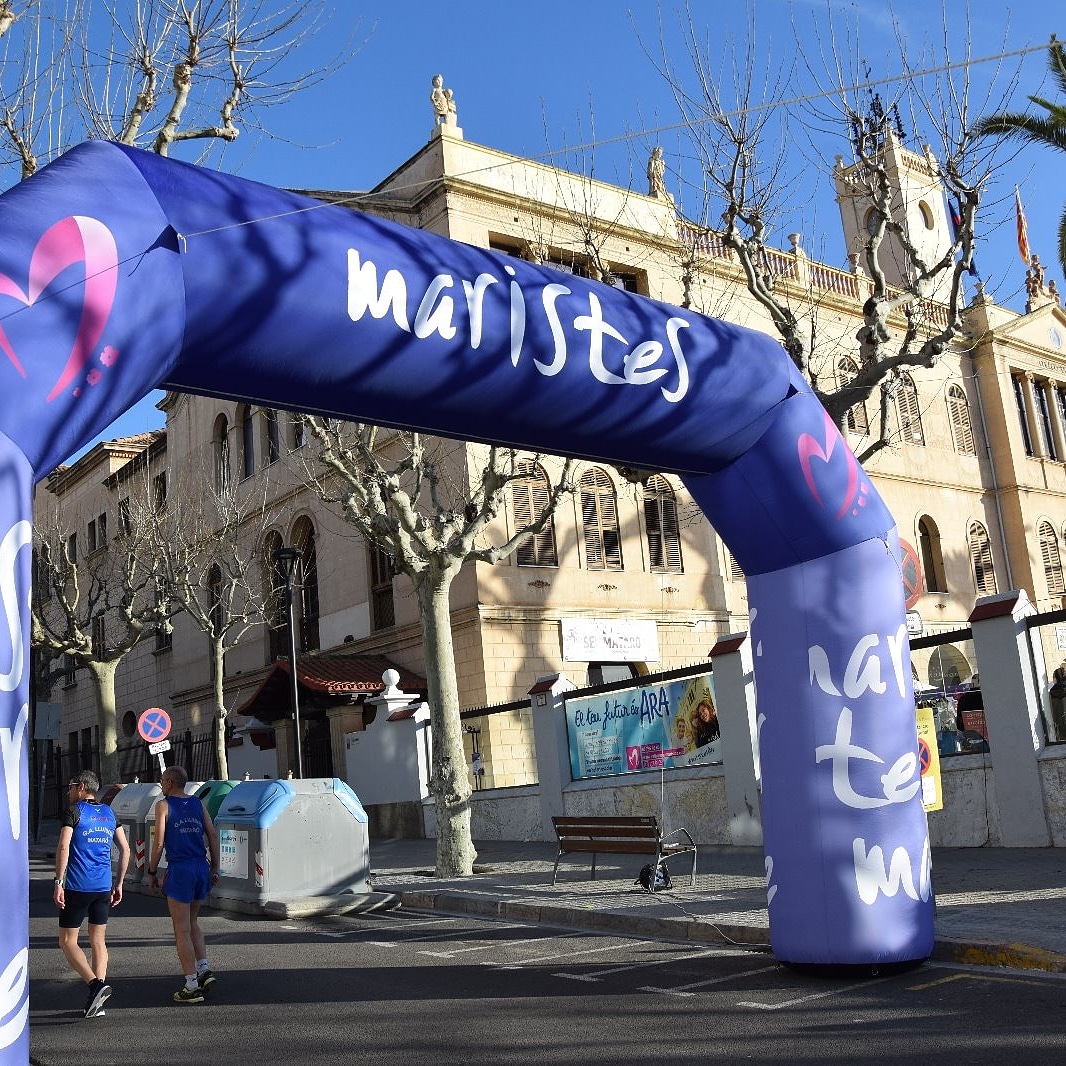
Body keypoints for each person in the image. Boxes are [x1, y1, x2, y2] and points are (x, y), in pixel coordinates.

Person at [53, 769, 130, 1019]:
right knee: (98, 941)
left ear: (82, 787)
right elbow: (125, 849)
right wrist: (119, 883)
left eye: (71, 786)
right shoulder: (109, 812)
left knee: (67, 941)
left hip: (78, 886)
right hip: (103, 886)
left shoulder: (74, 812)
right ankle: (97, 1001)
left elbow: (63, 846)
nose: (68, 791)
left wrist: (58, 881)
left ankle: (95, 985)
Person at [148, 766, 221, 1004]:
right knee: (192, 922)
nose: (161, 785)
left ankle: (191, 985)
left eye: (162, 781)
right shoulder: (198, 803)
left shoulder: (164, 806)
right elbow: (212, 835)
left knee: (181, 929)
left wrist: (151, 871)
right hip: (200, 866)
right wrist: (215, 867)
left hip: (181, 869)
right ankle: (204, 969)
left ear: (170, 782)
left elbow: (159, 843)